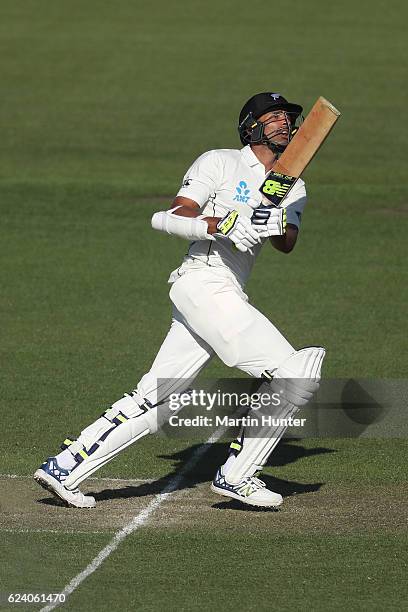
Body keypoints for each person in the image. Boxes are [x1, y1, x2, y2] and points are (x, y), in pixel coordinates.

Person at [34, 92, 325, 509]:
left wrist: (272, 217)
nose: (284, 123)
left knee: (157, 399)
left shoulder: (292, 185)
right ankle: (237, 475)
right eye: (273, 116)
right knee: (297, 371)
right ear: (251, 126)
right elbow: (174, 214)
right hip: (203, 282)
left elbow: (287, 243)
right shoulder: (219, 162)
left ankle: (66, 466)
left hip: (222, 291)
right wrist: (220, 224)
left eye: (288, 118)